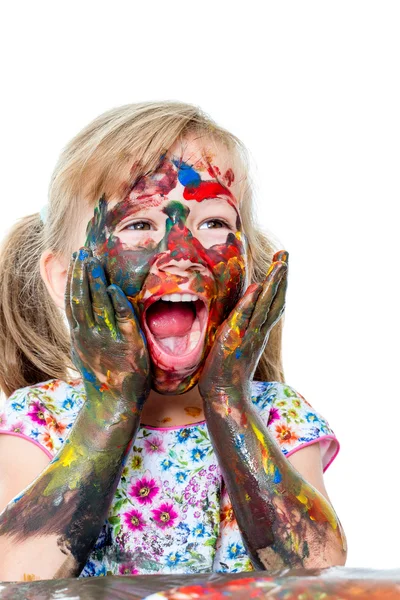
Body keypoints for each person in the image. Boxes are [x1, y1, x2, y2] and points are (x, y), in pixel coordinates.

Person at [0, 102, 346, 582]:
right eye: (139, 225)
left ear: (247, 266)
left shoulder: (276, 417)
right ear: (64, 279)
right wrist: (111, 407)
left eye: (215, 224)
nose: (182, 256)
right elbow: (14, 577)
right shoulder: (40, 421)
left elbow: (319, 574)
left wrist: (228, 400)